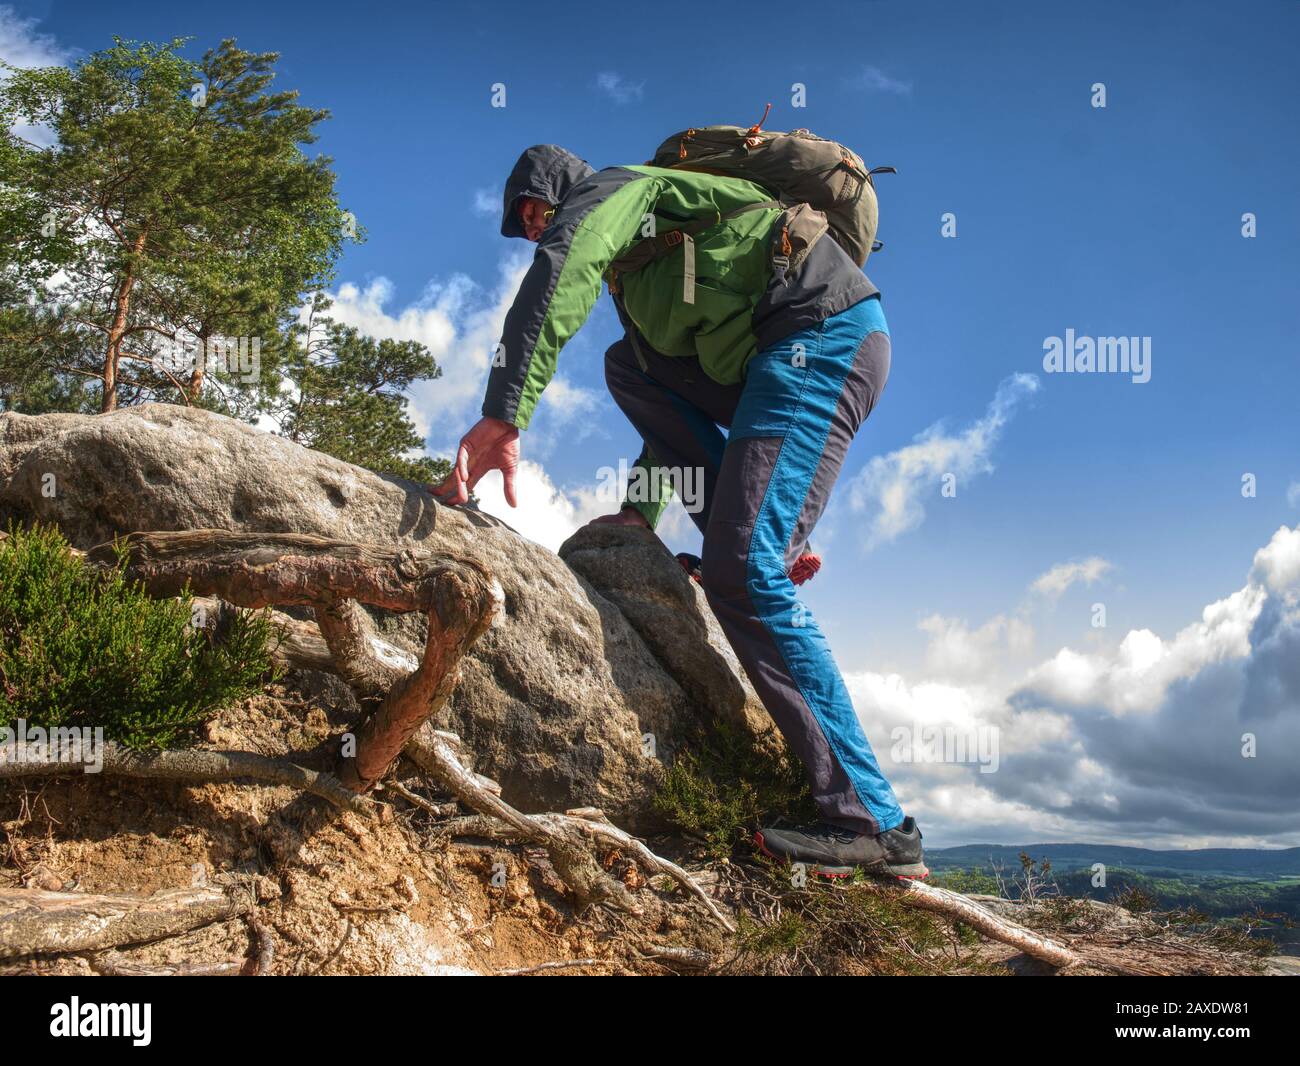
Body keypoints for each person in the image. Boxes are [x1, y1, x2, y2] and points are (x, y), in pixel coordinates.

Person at [433, 144, 926, 878]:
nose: (533, 230)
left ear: (563, 192)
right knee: (628, 364)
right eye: (524, 226)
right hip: (769, 363)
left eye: (535, 212)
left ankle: (876, 827)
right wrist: (641, 512)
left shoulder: (621, 190)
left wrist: (506, 410)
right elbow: (664, 409)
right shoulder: (641, 285)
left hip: (819, 338)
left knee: (744, 575)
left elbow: (563, 266)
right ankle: (756, 538)